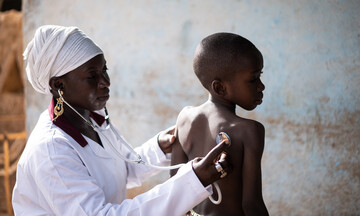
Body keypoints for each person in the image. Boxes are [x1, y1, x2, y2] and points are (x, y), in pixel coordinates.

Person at [12, 25, 231, 216]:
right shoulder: (51, 152)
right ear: (59, 86)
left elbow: (120, 170)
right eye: (92, 76)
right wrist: (192, 181)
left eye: (104, 70)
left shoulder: (90, 120)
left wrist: (161, 147)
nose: (105, 82)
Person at [170, 32, 269, 215]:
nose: (261, 86)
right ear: (220, 87)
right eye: (253, 79)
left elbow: (175, 185)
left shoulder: (184, 117)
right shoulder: (248, 131)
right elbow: (251, 204)